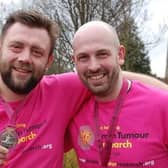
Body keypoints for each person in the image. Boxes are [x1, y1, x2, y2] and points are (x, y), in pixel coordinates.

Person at [66, 21, 168, 168]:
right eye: (83, 57)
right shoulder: (71, 109)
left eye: (102, 54)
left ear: (120, 55)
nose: (93, 66)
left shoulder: (162, 106)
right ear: (74, 61)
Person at [0, 10, 89, 168]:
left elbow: (111, 76)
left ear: (48, 61)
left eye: (37, 52)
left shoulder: (60, 90)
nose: (25, 58)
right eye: (16, 47)